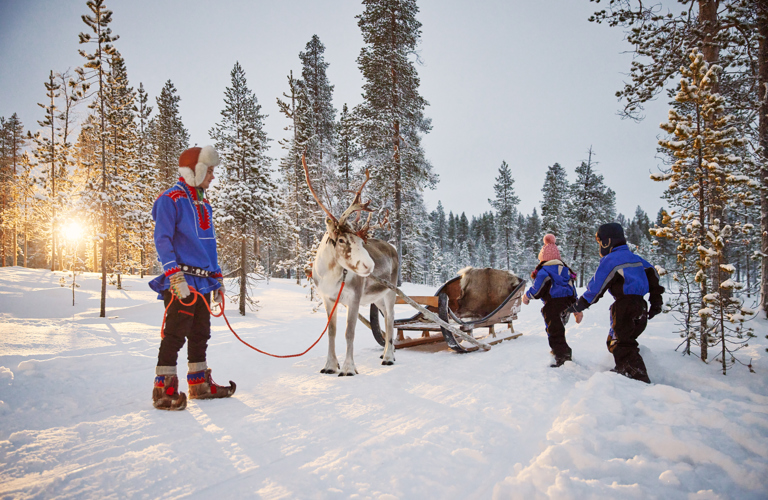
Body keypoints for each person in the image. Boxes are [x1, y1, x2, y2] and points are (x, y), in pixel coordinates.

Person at [149, 145, 235, 411]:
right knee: (175, 333)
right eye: (209, 171)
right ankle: (164, 389)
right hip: (182, 281)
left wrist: (217, 278)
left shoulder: (203, 202)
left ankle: (199, 384)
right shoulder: (170, 199)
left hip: (202, 281)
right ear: (195, 171)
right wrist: (174, 276)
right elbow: (162, 239)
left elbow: (209, 244)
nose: (212, 176)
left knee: (201, 333)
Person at [565, 222, 664, 383]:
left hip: (625, 306)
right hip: (641, 307)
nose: (599, 247)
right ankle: (625, 369)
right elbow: (654, 277)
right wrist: (656, 302)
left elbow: (596, 287)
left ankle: (636, 375)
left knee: (621, 342)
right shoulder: (638, 260)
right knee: (618, 340)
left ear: (607, 241)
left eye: (599, 242)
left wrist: (579, 305)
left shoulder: (611, 260)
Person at [522, 234, 583, 367]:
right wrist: (577, 310)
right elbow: (573, 291)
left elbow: (537, 290)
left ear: (543, 259)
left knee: (554, 331)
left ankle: (562, 357)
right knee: (558, 329)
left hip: (553, 306)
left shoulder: (544, 271)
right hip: (566, 305)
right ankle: (559, 351)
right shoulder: (566, 271)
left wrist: (527, 296)